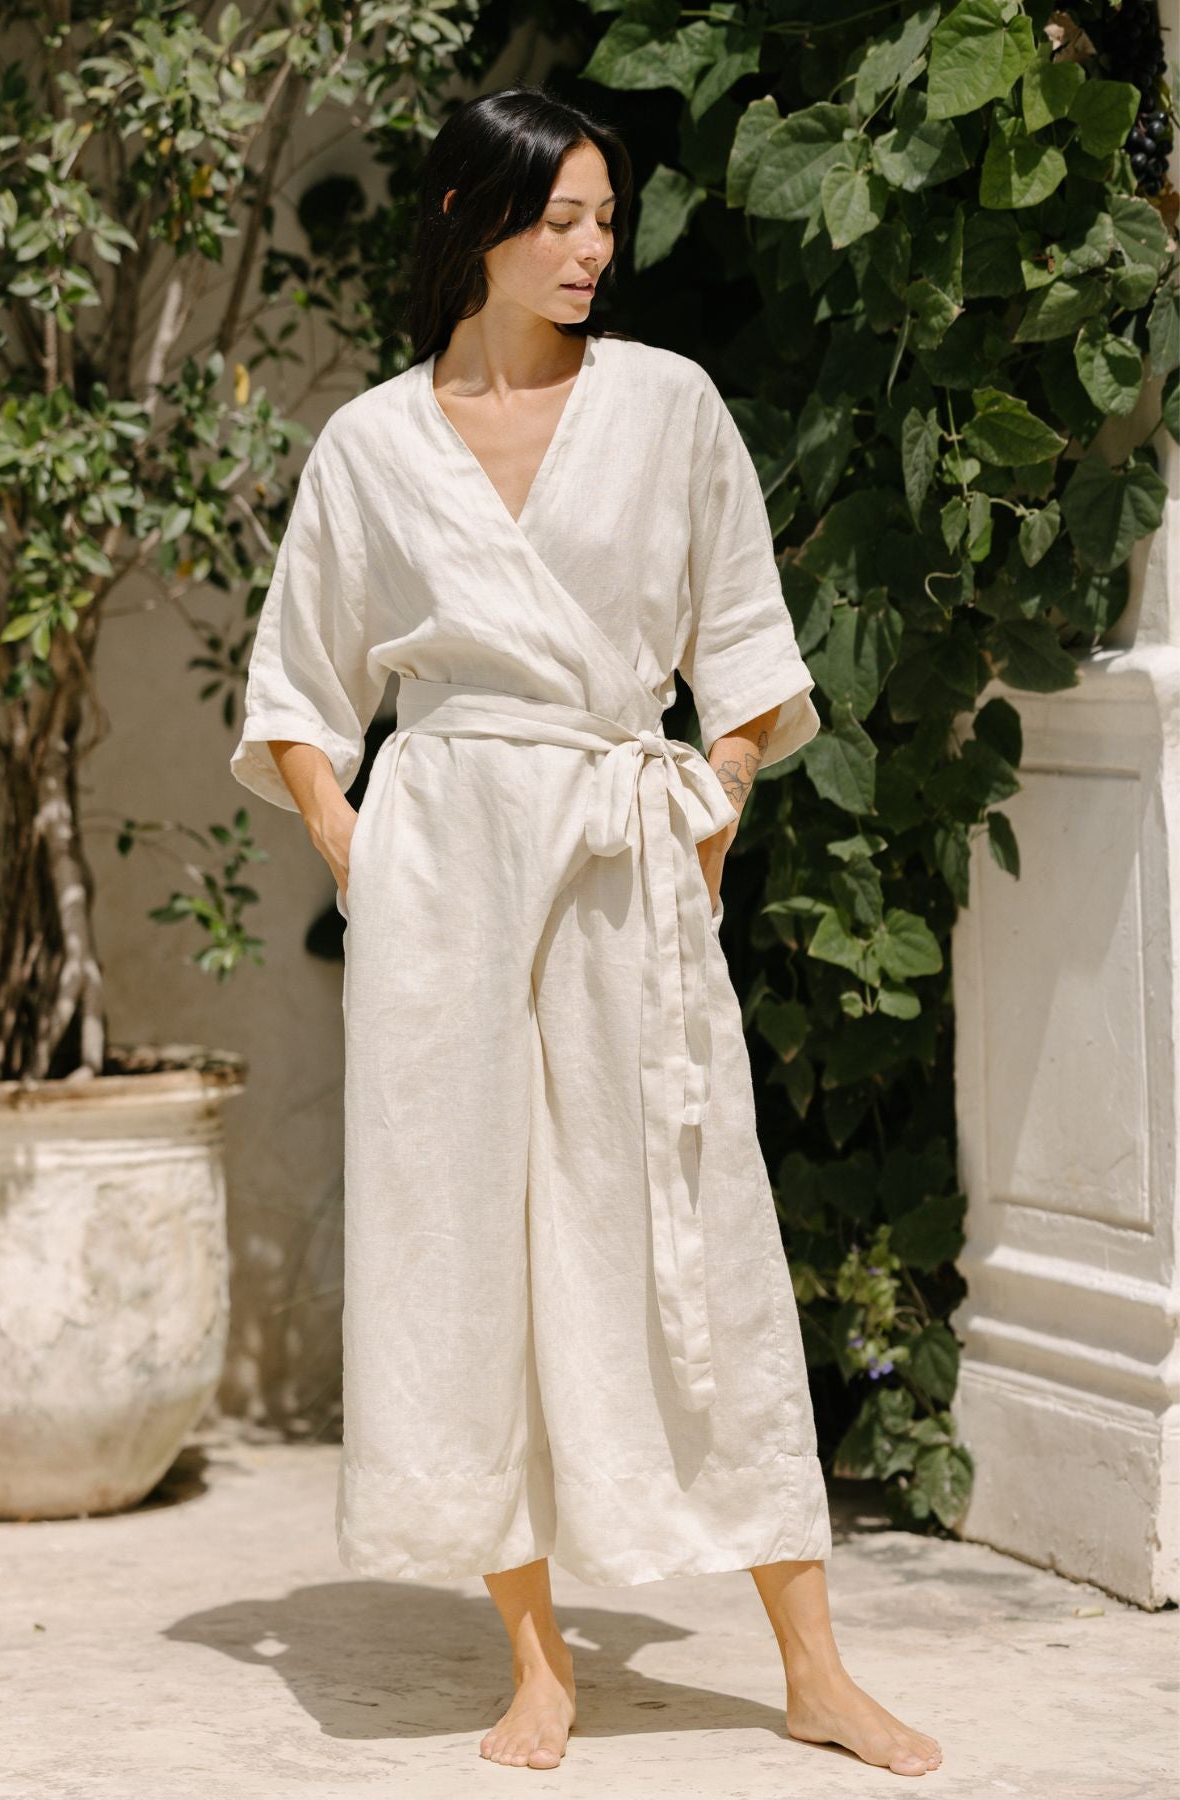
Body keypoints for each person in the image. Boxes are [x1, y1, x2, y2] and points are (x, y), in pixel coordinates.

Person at [229, 84, 942, 1780]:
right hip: (447, 873)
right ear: (475, 220)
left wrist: (717, 801)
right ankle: (537, 1662)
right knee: (471, 1254)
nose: (590, 249)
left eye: (605, 220)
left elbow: (752, 658)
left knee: (694, 1229)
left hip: (625, 857)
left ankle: (813, 1667)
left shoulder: (671, 408)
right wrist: (357, 842)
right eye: (559, 219)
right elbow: (297, 690)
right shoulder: (371, 447)